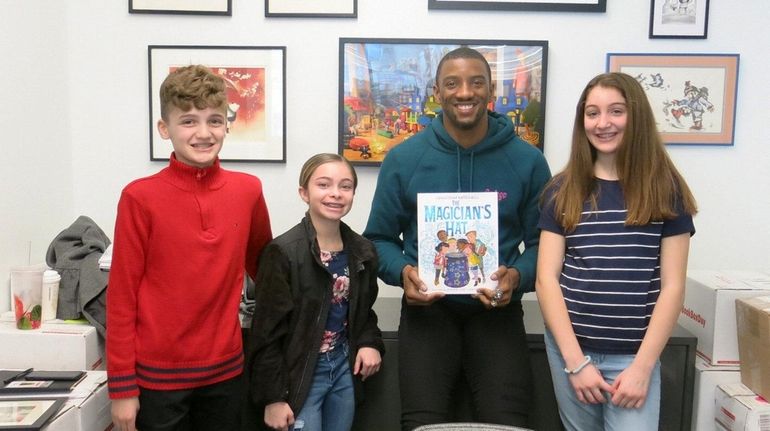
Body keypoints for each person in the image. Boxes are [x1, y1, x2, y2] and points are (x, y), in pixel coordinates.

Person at [363, 47, 551, 430]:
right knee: (422, 424)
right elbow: (378, 239)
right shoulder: (404, 159)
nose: (465, 92)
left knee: (508, 423)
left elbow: (543, 245)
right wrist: (403, 274)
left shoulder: (528, 161)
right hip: (427, 315)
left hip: (497, 313)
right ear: (437, 91)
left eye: (475, 82)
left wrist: (516, 278)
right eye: (453, 83)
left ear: (490, 89)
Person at [106, 65, 273, 431]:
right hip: (157, 380)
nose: (203, 133)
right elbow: (121, 298)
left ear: (227, 126)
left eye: (214, 120)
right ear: (164, 129)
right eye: (188, 122)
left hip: (226, 373)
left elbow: (269, 270)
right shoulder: (139, 197)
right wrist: (122, 388)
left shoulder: (248, 191)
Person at [536, 72, 697, 431]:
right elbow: (546, 280)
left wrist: (642, 368)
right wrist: (575, 363)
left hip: (635, 357)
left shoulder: (666, 190)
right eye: (592, 113)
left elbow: (672, 287)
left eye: (616, 111)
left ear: (636, 116)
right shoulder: (561, 190)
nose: (603, 123)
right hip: (571, 352)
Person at [248, 153, 384, 431]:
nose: (335, 194)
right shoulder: (283, 252)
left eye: (345, 186)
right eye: (324, 185)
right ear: (304, 192)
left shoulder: (363, 251)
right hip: (300, 374)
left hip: (344, 369)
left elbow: (363, 312)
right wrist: (272, 398)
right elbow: (266, 333)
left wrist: (370, 342)